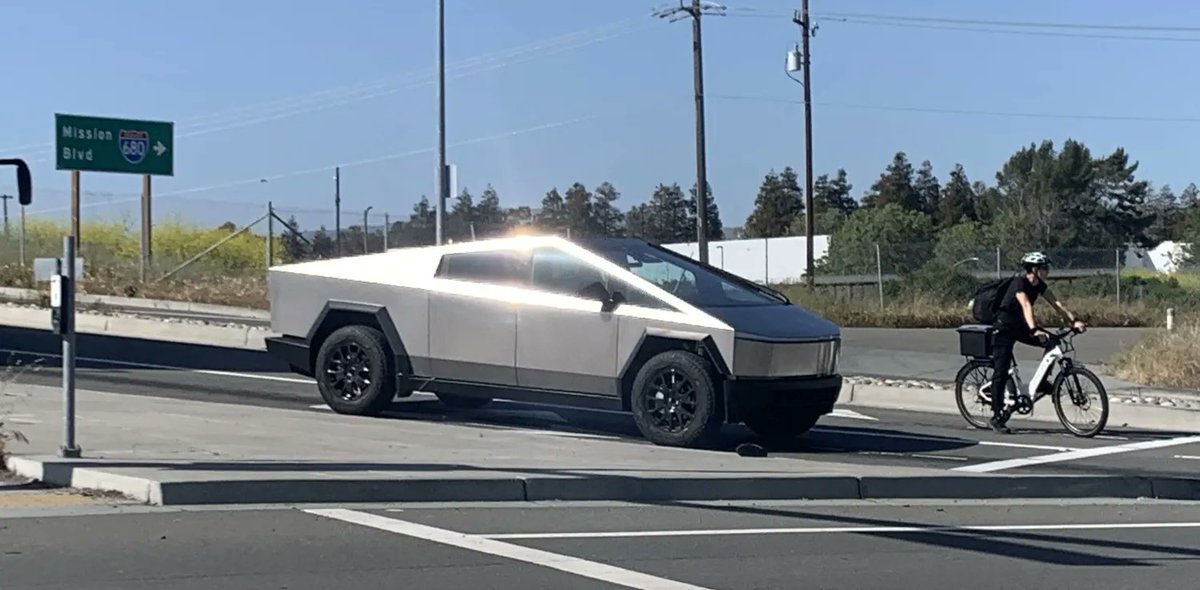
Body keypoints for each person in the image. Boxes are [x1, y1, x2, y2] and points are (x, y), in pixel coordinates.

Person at [987, 251, 1086, 433]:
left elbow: (1056, 304)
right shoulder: (1019, 283)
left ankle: (1041, 383)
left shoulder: (1039, 285)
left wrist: (1073, 321)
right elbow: (1026, 306)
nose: (1047, 271)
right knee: (1001, 370)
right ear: (1034, 269)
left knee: (1051, 342)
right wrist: (1034, 330)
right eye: (1044, 268)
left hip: (1021, 326)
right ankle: (996, 416)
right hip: (1004, 327)